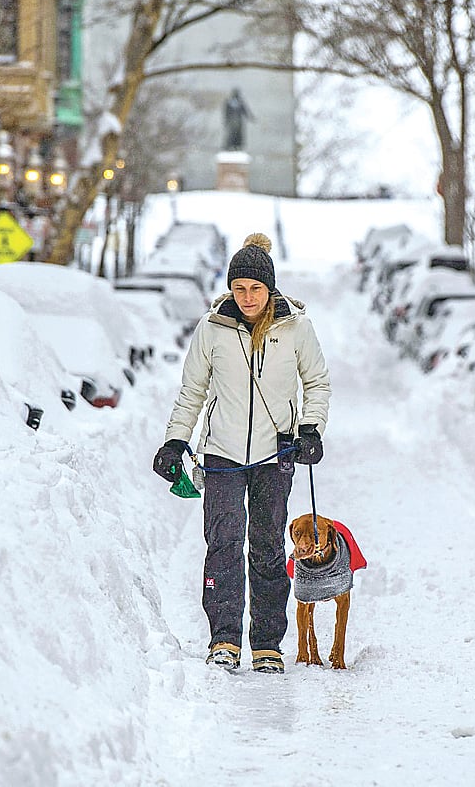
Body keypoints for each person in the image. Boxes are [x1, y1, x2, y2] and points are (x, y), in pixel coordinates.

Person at [153, 232, 331, 674]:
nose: (247, 297)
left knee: (268, 547)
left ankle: (267, 642)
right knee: (223, 546)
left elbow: (317, 382)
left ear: (270, 289)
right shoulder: (212, 328)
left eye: (256, 289)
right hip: (221, 455)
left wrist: (311, 429)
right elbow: (192, 391)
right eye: (239, 288)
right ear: (230, 288)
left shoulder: (295, 327)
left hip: (276, 454)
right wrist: (176, 439)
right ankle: (224, 639)